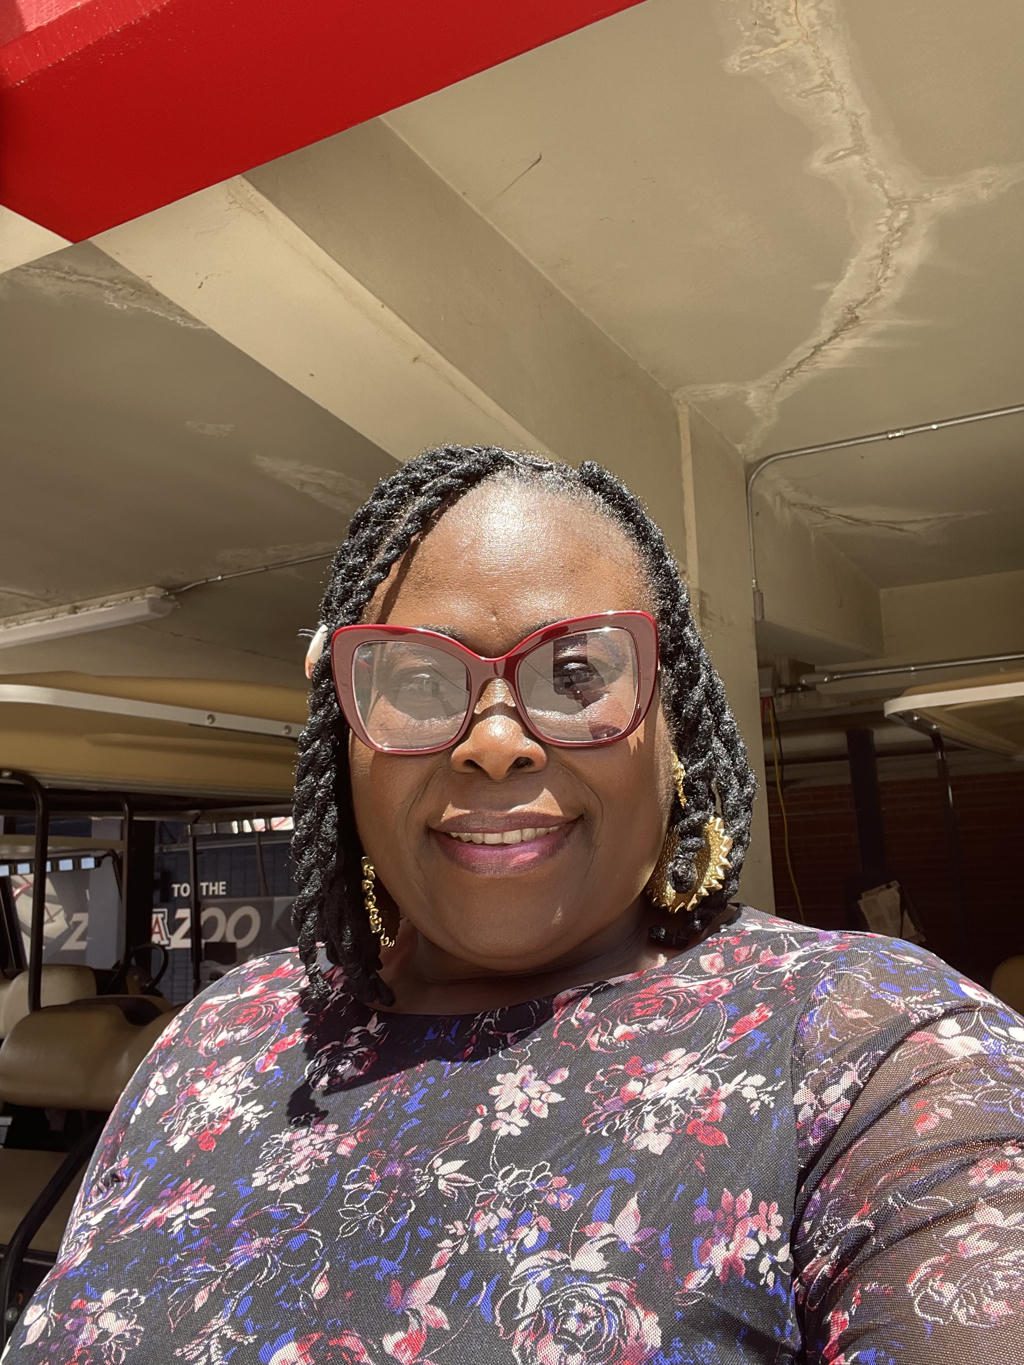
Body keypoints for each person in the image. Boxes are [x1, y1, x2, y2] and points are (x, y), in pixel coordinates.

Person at [7, 445, 1024, 1364]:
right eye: (418, 677)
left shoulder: (873, 1051)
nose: (494, 742)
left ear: (672, 718)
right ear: (343, 730)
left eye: (575, 672)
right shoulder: (222, 1035)